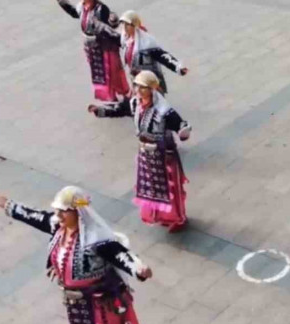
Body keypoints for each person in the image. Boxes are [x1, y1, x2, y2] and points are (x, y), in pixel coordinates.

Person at [0, 186, 151, 324]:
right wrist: (9, 206)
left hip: (102, 301)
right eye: (57, 211)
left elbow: (120, 254)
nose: (58, 216)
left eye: (63, 211)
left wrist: (138, 269)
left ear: (78, 212)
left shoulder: (95, 239)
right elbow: (36, 217)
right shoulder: (58, 227)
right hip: (78, 303)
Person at [88, 71, 192, 231]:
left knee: (170, 187)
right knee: (152, 187)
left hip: (164, 154)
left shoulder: (164, 110)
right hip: (146, 153)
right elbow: (120, 109)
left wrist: (184, 131)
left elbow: (180, 124)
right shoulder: (135, 103)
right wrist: (101, 110)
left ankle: (177, 218)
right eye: (137, 85)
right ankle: (162, 215)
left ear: (152, 89)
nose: (138, 89)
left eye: (143, 87)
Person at [56, 0, 129, 101]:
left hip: (104, 45)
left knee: (113, 70)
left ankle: (125, 95)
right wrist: (62, 2)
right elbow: (74, 13)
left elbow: (108, 28)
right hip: (91, 47)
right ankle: (110, 97)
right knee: (100, 74)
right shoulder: (82, 6)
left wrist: (121, 41)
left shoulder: (101, 9)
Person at [115, 11, 188, 95]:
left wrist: (177, 67)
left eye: (127, 24)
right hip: (137, 80)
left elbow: (163, 56)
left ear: (134, 25)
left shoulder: (146, 43)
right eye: (123, 24)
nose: (124, 27)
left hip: (150, 81)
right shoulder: (125, 39)